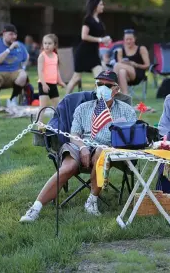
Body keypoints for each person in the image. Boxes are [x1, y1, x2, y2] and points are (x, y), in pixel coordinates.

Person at [20, 70, 137, 222]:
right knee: (67, 167)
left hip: (108, 150)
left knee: (102, 152)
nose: (102, 88)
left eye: (107, 86)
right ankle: (35, 208)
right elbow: (74, 135)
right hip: (81, 144)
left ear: (116, 89)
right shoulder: (83, 108)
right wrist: (82, 148)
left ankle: (92, 201)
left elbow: (132, 136)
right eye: (99, 84)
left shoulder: (126, 110)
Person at [66, 0, 112, 94]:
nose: (103, 6)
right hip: (83, 53)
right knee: (76, 78)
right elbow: (84, 36)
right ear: (95, 7)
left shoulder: (99, 21)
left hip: (94, 53)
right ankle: (64, 102)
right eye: (101, 4)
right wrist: (100, 39)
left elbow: (99, 37)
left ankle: (99, 102)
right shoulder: (88, 19)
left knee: (101, 77)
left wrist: (106, 40)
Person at [0, 24, 29, 107]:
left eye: (15, 34)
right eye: (11, 34)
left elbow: (26, 57)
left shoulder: (20, 46)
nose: (14, 36)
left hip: (12, 74)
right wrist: (9, 49)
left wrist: (23, 67)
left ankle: (12, 99)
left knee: (23, 75)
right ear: (4, 34)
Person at [37, 34, 66, 124]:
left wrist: (60, 81)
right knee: (43, 106)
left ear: (55, 45)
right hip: (43, 84)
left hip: (53, 84)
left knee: (57, 106)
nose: (47, 45)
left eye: (49, 43)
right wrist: (44, 84)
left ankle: (58, 123)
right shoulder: (42, 56)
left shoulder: (55, 56)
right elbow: (40, 71)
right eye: (45, 43)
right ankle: (39, 124)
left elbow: (56, 70)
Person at [113, 29, 150, 95]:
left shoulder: (141, 49)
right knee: (121, 71)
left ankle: (112, 89)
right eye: (126, 39)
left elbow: (147, 65)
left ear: (134, 39)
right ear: (124, 40)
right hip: (125, 77)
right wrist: (125, 63)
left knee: (117, 65)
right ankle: (125, 96)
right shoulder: (120, 51)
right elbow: (118, 70)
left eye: (130, 39)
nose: (128, 41)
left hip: (137, 74)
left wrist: (135, 64)